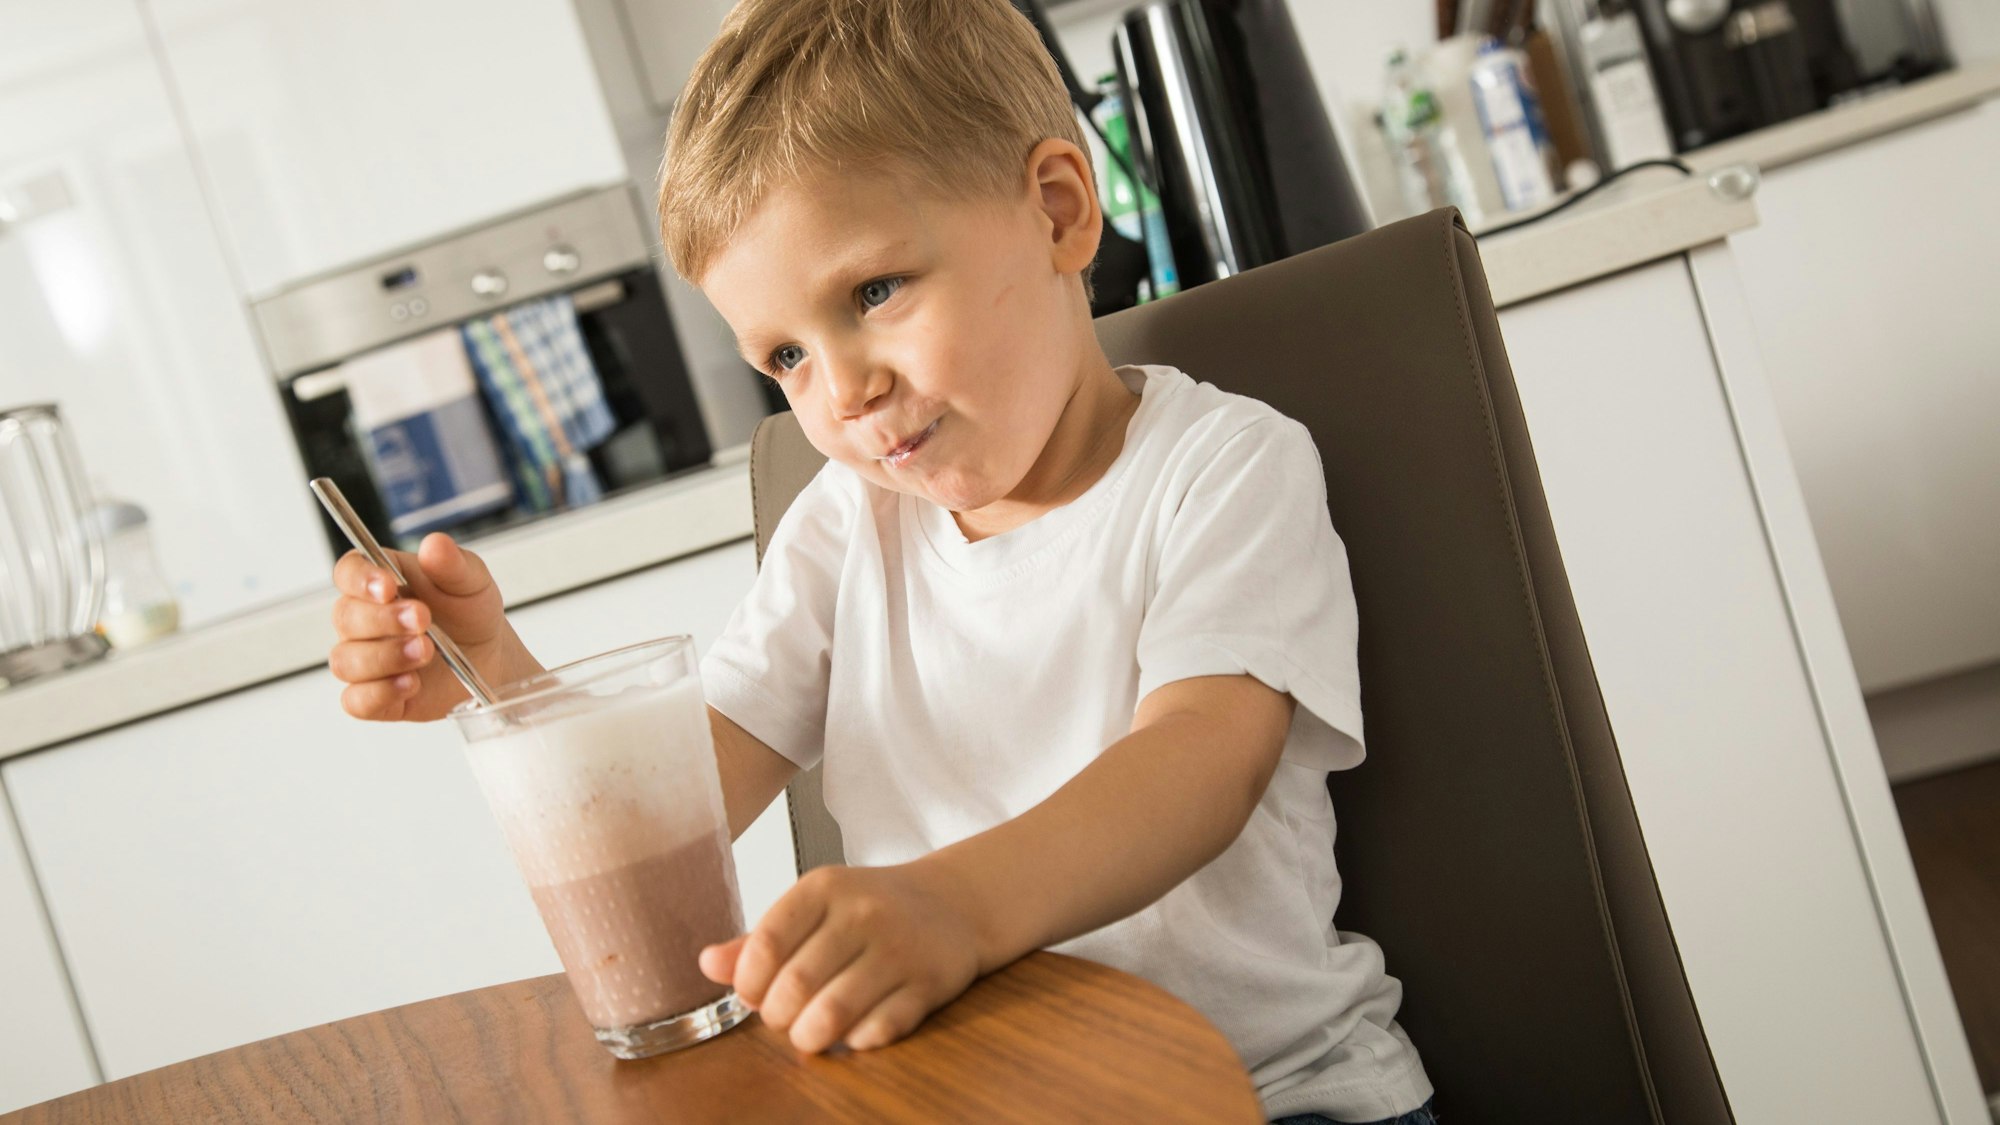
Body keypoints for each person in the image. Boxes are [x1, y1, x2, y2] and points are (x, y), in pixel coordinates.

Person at [325, 0, 1433, 1120]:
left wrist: (955, 908)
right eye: (786, 357)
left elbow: (1199, 764)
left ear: (1056, 213)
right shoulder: (846, 524)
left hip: (1271, 1094)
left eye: (872, 293)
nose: (842, 391)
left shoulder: (1221, 467)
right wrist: (499, 681)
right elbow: (673, 803)